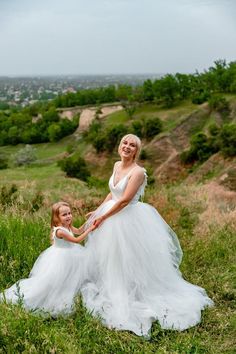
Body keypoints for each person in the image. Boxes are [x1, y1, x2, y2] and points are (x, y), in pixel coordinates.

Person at [82, 134, 214, 337]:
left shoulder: (138, 172)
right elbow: (112, 193)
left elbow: (125, 200)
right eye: (124, 143)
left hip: (129, 219)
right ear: (119, 146)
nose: (127, 147)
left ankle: (137, 293)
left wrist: (103, 218)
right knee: (112, 257)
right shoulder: (117, 165)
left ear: (136, 151)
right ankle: (117, 287)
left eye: (132, 145)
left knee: (131, 258)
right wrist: (98, 210)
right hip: (112, 214)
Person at [0, 201, 95, 316]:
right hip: (61, 258)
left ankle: (71, 294)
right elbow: (77, 240)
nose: (68, 216)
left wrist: (90, 221)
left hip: (73, 254)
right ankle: (51, 298)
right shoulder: (60, 231)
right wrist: (90, 229)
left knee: (71, 278)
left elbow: (79, 231)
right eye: (64, 214)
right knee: (57, 279)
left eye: (69, 213)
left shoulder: (68, 226)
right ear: (57, 217)